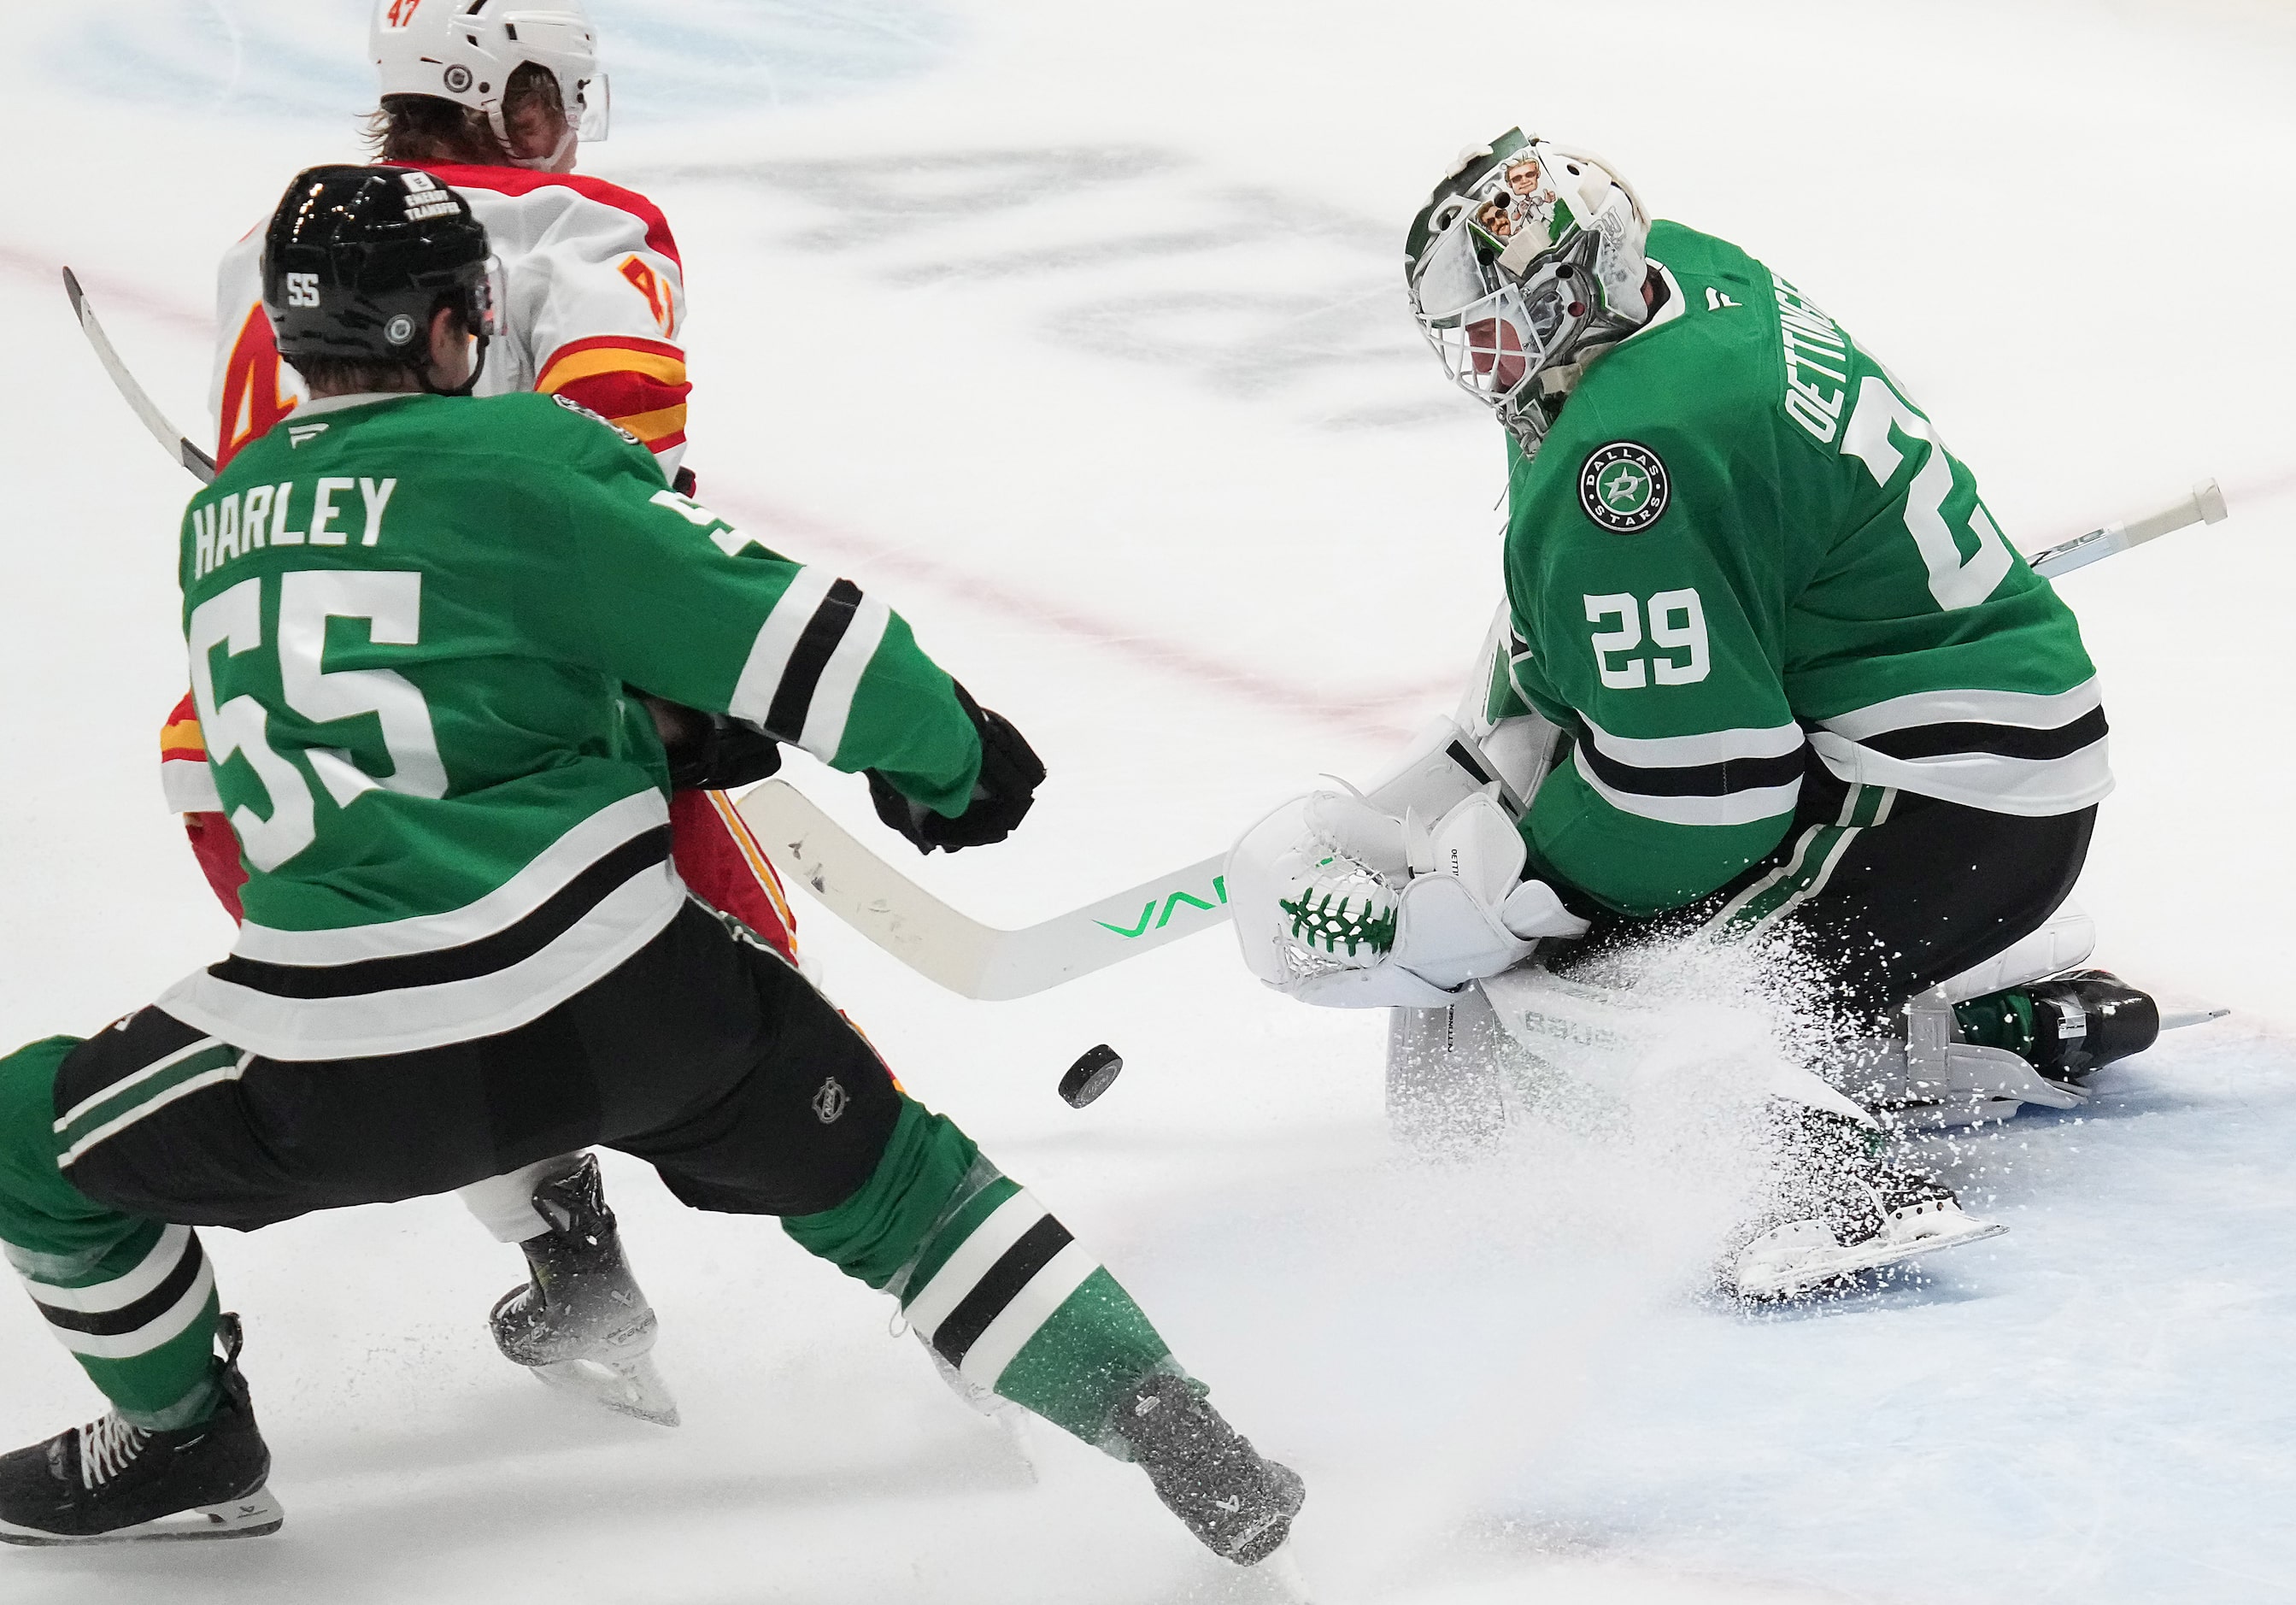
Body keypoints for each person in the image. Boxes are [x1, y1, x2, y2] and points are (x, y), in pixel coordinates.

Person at [0, 167, 1304, 1561]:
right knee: (907, 1192)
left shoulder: (216, 527)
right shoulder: (522, 458)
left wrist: (632, 729)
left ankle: (192, 1431)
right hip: (631, 997)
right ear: (449, 328)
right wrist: (948, 755)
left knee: (29, 1134)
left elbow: (300, 772)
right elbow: (798, 631)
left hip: (339, 1058)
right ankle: (1177, 1428)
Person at [1228, 130, 2161, 1296]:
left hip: (1935, 805)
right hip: (1964, 766)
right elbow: (1657, 617)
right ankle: (1981, 1016)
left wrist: (1523, 883)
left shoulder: (1629, 460)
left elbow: (1710, 798)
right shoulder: (1676, 277)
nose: (1484, 361)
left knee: (1589, 997)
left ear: (1570, 293)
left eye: (1498, 327)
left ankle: (1820, 1181)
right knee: (1596, 968)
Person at [157, 0, 793, 1418]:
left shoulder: (270, 255)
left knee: (414, 1001)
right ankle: (939, 1271)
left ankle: (564, 1249)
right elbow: (624, 447)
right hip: (523, 727)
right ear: (505, 100)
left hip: (270, 757)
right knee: (756, 996)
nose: (563, 118)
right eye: (549, 93)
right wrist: (685, 677)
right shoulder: (576, 221)